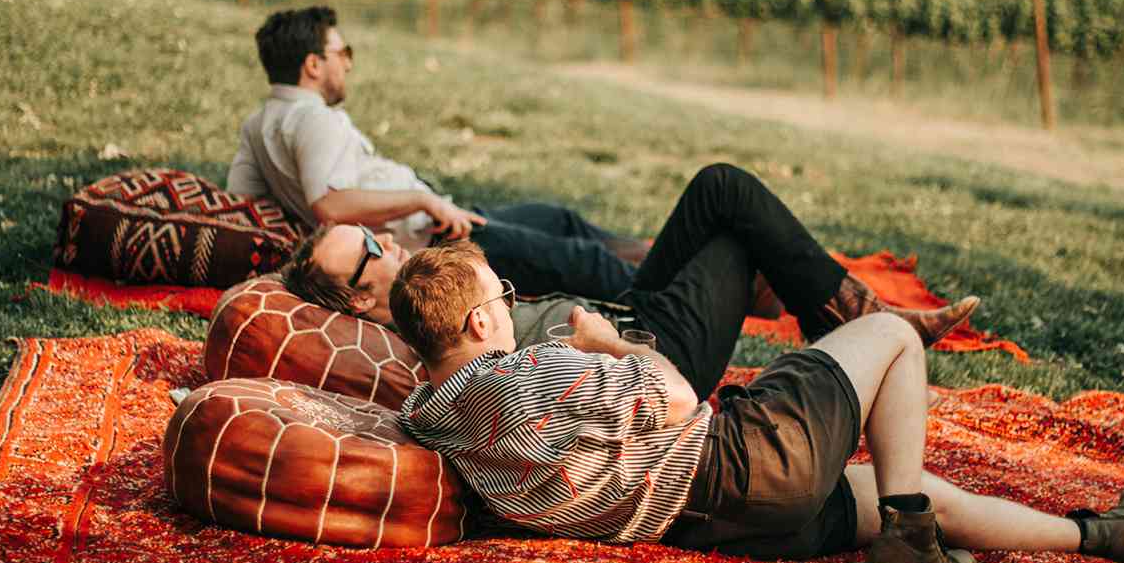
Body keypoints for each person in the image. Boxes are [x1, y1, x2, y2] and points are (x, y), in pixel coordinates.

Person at [387, 237, 1124, 563]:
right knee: (892, 334)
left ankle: (1102, 534)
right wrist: (611, 344)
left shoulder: (428, 414)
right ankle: (906, 535)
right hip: (739, 459)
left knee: (906, 491)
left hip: (711, 525)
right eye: (504, 298)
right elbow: (680, 394)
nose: (511, 308)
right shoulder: (527, 375)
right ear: (482, 324)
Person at [279, 162, 982, 367]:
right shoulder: (421, 333)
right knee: (730, 207)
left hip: (632, 317)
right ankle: (852, 323)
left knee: (720, 193)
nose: (383, 241)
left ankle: (845, 320)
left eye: (370, 236)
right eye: (367, 252)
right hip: (650, 348)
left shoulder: (422, 290)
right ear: (357, 304)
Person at [227, 4, 654, 302]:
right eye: (344, 53)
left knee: (560, 220)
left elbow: (240, 200)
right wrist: (422, 199)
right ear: (313, 65)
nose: (349, 65)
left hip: (442, 220)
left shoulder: (259, 123)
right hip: (436, 240)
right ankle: (665, 295)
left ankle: (655, 258)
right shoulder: (314, 119)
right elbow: (330, 206)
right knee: (579, 259)